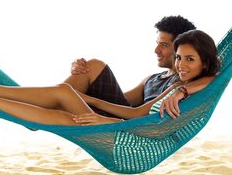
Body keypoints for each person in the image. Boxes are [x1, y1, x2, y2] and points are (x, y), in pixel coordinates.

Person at [0, 30, 220, 126]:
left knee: (64, 97)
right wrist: (89, 94)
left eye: (188, 59)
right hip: (121, 125)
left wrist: (182, 91)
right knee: (67, 111)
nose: (180, 63)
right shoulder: (168, 83)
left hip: (127, 133)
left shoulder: (188, 86)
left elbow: (215, 78)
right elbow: (131, 106)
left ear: (203, 61)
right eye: (179, 57)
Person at [62, 15, 196, 117]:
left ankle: (47, 110)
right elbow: (118, 102)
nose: (156, 50)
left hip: (126, 127)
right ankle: (46, 111)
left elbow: (213, 73)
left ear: (181, 48)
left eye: (164, 45)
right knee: (90, 68)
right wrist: (82, 76)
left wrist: (79, 97)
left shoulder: (183, 83)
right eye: (157, 43)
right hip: (115, 115)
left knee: (92, 68)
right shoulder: (151, 79)